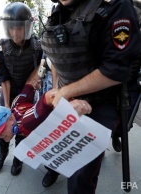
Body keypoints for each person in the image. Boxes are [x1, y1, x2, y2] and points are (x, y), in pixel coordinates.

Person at [40, 0, 141, 193]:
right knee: (53, 151)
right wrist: (57, 92)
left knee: (80, 178)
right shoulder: (59, 11)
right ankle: (53, 170)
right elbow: (57, 60)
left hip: (98, 105)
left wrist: (66, 92)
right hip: (66, 101)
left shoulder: (115, 5)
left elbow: (116, 69)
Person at [0, 69, 91, 185]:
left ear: (10, 119)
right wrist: (41, 65)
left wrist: (68, 104)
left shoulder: (28, 121)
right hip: (42, 131)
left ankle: (53, 172)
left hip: (55, 134)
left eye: (1, 130)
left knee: (46, 154)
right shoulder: (16, 104)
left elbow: (48, 97)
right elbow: (30, 82)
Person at [0, 3, 59, 185]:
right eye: (12, 28)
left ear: (27, 27)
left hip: (28, 91)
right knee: (3, 126)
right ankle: (3, 153)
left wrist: (31, 88)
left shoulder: (37, 46)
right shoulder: (0, 49)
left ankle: (18, 159)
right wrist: (7, 107)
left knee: (23, 127)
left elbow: (42, 67)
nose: (16, 33)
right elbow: (4, 79)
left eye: (20, 28)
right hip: (9, 91)